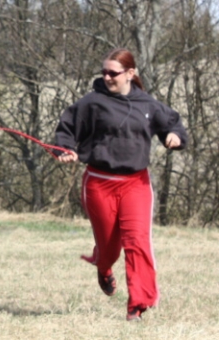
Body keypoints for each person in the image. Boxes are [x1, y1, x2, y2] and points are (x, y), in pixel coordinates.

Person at [54, 48, 187, 321]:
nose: (107, 77)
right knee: (109, 246)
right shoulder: (92, 102)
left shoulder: (148, 104)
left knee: (137, 242)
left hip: (136, 184)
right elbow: (66, 130)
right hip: (99, 184)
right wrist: (64, 149)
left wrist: (174, 136)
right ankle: (103, 267)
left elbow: (172, 123)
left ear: (130, 73)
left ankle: (137, 305)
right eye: (103, 72)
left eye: (113, 73)